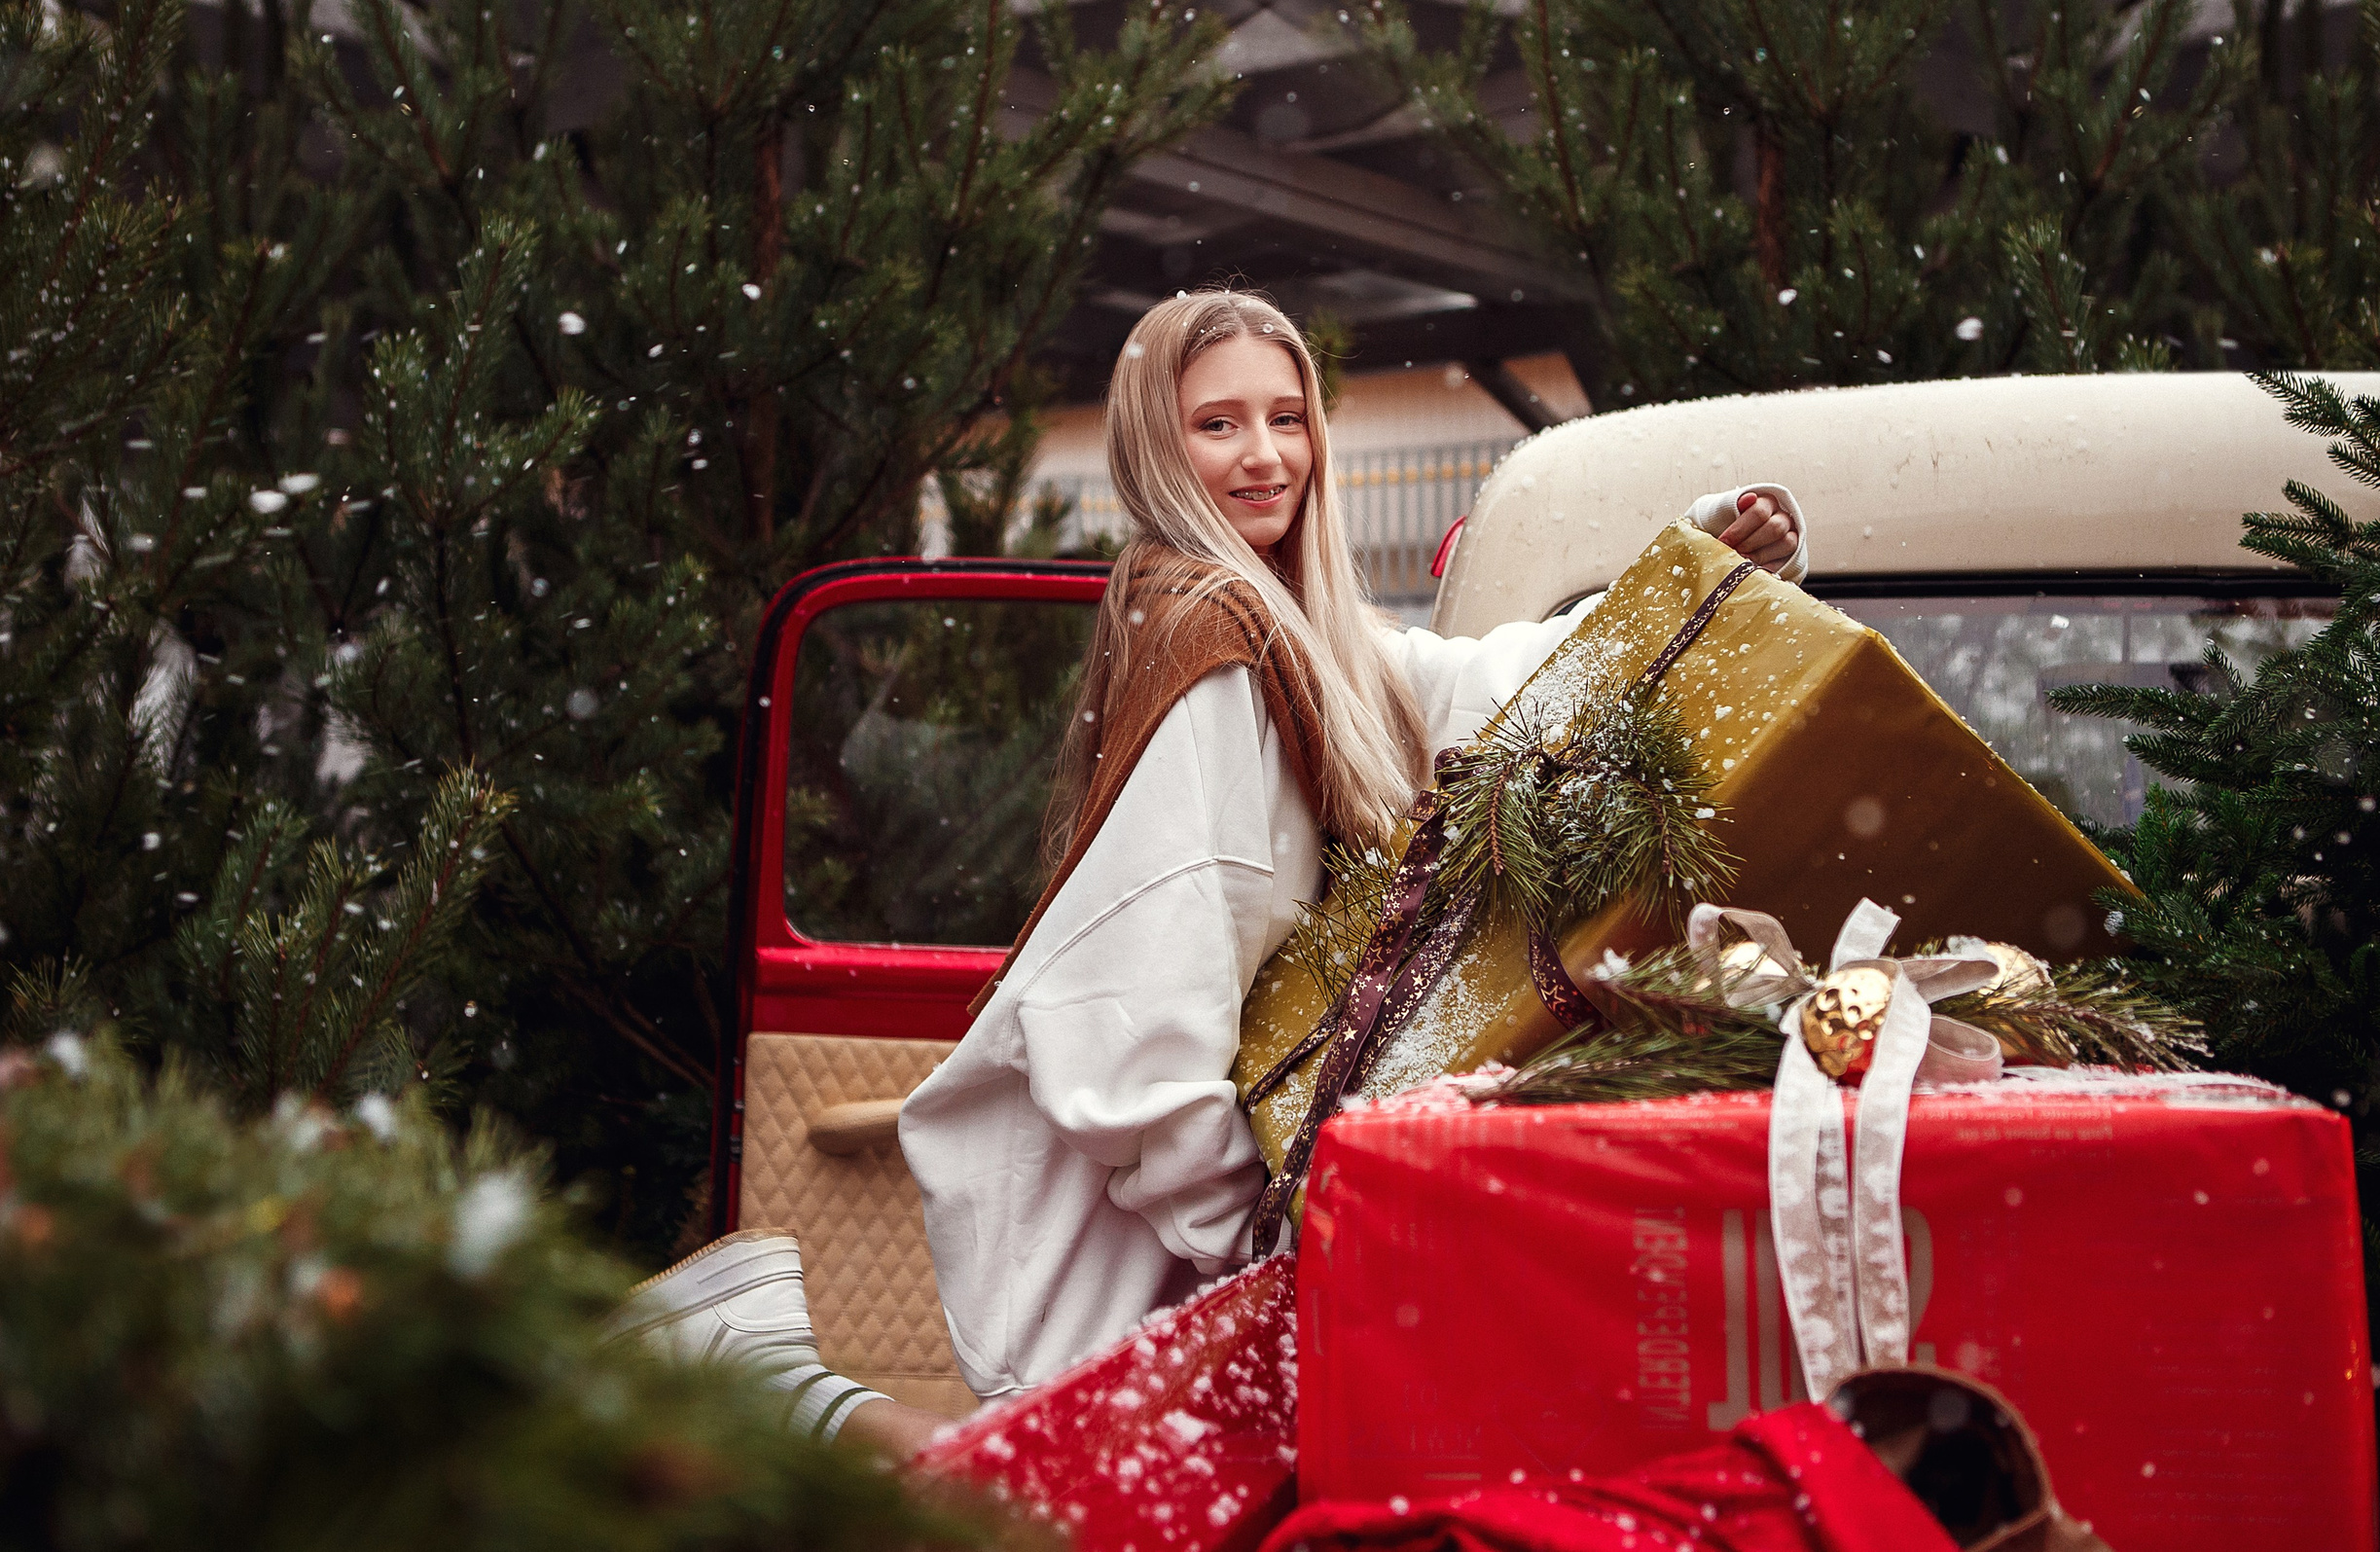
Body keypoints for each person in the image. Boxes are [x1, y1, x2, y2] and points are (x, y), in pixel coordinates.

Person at [614, 290, 1806, 1456]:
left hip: (1196, 1169)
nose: (1265, 456)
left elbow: (1484, 685)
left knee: (1076, 1488)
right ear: (1153, 444)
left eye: (1287, 418)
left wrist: (1696, 564)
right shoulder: (1211, 641)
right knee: (1054, 1504)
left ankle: (750, 1362)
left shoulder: (1298, 625)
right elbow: (1141, 990)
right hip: (1162, 1200)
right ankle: (758, 1372)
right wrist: (1249, 1227)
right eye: (1218, 423)